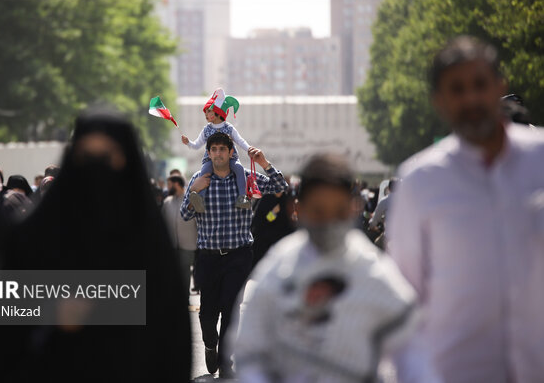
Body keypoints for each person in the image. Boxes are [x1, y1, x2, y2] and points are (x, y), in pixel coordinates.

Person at [388, 36, 544, 383]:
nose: (470, 98)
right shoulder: (421, 181)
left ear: (499, 86)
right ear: (439, 101)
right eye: (456, 89)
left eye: (479, 84)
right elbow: (403, 297)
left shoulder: (540, 161)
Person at [2, 110, 191, 382]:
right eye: (88, 158)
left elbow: (170, 336)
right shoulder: (36, 235)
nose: (97, 170)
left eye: (107, 158)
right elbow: (5, 330)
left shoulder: (148, 239)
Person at [232, 153, 429, 383]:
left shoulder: (373, 272)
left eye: (338, 212)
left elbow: (414, 355)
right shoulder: (278, 271)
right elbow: (249, 351)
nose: (328, 222)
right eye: (318, 211)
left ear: (353, 208)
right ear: (298, 209)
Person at [181, 132, 288, 378]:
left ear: (231, 152)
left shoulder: (246, 178)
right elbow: (185, 215)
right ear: (208, 153)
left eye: (222, 149)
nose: (218, 153)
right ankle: (211, 344)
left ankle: (226, 361)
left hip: (238, 255)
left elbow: (281, 187)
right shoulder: (199, 179)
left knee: (232, 309)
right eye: (214, 149)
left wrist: (264, 163)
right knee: (208, 314)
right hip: (208, 257)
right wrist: (193, 192)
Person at [181, 88, 253, 211]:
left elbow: (240, 141)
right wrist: (188, 143)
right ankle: (200, 201)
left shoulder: (229, 128)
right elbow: (197, 145)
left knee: (240, 169)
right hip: (210, 160)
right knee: (204, 173)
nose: (206, 114)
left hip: (230, 158)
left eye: (209, 111)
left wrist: (249, 149)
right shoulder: (206, 130)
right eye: (205, 112)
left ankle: (242, 198)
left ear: (217, 112)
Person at [162, 174, 198, 300]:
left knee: (184, 272)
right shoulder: (167, 202)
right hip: (171, 245)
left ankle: (184, 297)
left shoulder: (190, 202)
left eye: (169, 184)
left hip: (188, 244)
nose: (168, 187)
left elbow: (197, 223)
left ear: (176, 184)